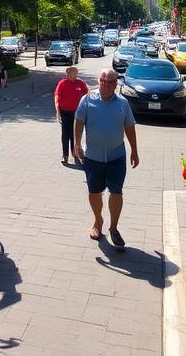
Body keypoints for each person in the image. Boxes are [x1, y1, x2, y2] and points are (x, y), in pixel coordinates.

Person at [72, 68, 139, 247]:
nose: (106, 85)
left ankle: (114, 228)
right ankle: (98, 221)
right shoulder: (87, 100)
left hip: (116, 155)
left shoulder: (123, 103)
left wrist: (134, 150)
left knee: (116, 191)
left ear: (116, 84)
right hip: (93, 156)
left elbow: (130, 127)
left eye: (110, 82)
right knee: (94, 192)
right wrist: (77, 144)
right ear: (99, 81)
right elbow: (78, 121)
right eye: (103, 81)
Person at [54, 66, 90, 165]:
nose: (76, 74)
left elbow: (88, 94)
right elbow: (57, 97)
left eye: (77, 73)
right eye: (75, 72)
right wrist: (57, 111)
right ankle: (65, 155)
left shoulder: (80, 83)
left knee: (75, 134)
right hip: (65, 112)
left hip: (77, 113)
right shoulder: (62, 83)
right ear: (69, 73)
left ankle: (75, 155)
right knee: (66, 134)